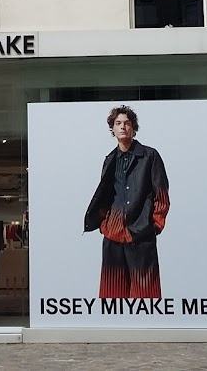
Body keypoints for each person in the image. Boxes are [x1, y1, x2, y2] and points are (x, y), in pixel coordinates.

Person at [84, 105, 170, 299]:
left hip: (141, 232)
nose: (123, 127)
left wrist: (154, 224)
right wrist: (104, 223)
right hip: (113, 233)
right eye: (118, 123)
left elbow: (161, 193)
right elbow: (105, 195)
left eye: (127, 123)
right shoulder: (110, 159)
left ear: (133, 127)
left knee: (146, 296)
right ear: (112, 129)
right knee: (112, 296)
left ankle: (148, 330)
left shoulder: (150, 156)